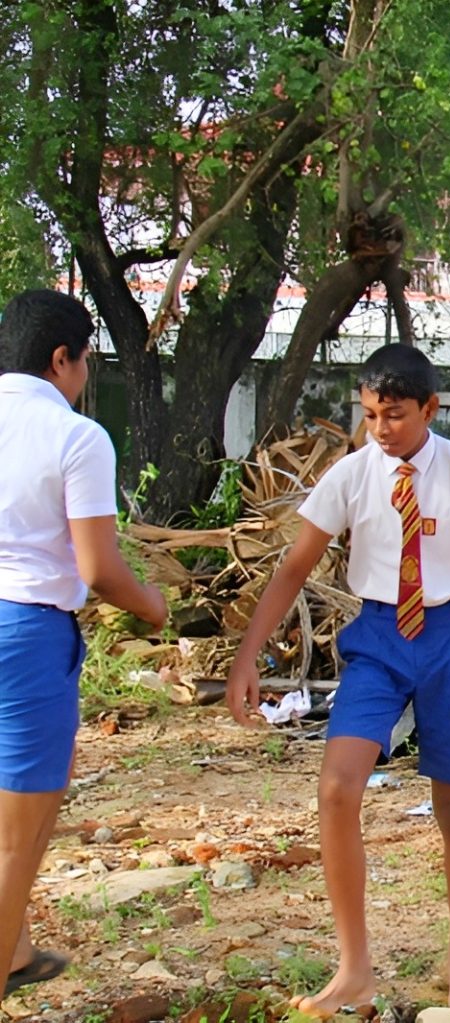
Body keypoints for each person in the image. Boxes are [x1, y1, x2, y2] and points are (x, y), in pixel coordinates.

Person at [225, 343, 450, 1016]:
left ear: (430, 409)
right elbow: (293, 568)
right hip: (378, 638)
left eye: (396, 415)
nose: (381, 428)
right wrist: (246, 656)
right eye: (371, 414)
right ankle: (354, 967)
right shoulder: (351, 476)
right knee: (336, 787)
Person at [0, 291, 168, 998]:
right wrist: (153, 606)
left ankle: (15, 949)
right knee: (18, 829)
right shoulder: (75, 436)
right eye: (85, 361)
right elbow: (99, 569)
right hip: (27, 632)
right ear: (61, 358)